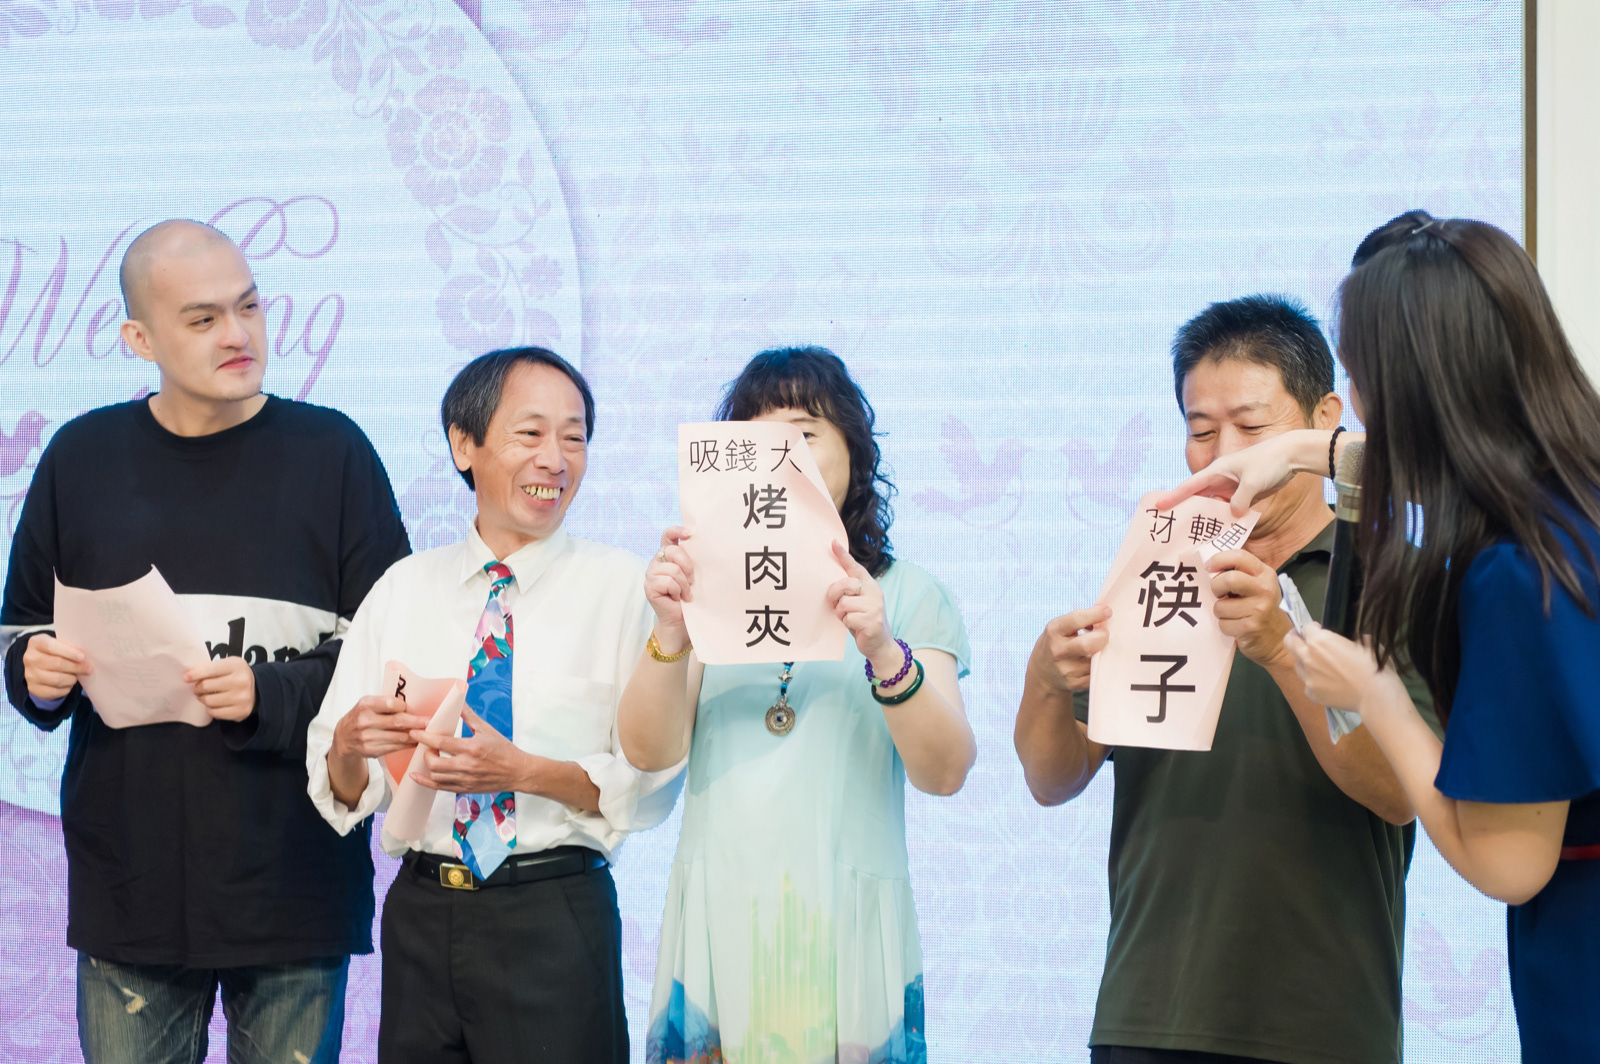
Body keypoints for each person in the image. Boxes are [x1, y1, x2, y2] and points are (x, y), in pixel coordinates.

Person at [1168, 212, 1600, 1064]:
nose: (1358, 410)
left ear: (1411, 386)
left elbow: (1510, 867)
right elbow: (1458, 467)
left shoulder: (1517, 574)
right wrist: (1301, 450)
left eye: (1360, 379)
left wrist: (1376, 697)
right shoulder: (1573, 496)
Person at [0, 219, 411, 1064]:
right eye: (203, 318)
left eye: (248, 307)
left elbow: (393, 656)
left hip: (294, 877)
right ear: (139, 339)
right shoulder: (81, 457)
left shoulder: (333, 453)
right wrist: (33, 673)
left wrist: (271, 694)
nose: (237, 334)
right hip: (132, 882)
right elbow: (22, 630)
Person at [1014, 295, 1440, 1064]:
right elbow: (1053, 779)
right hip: (1145, 1013)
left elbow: (1398, 794)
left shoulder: (1387, 576)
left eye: (1250, 426)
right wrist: (1045, 681)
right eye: (1201, 430)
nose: (1223, 455)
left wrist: (1281, 648)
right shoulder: (1161, 568)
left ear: (1325, 421)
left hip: (1321, 1024)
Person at [305, 346, 684, 1063]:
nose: (555, 460)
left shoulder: (625, 590)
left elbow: (652, 782)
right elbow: (346, 791)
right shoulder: (402, 589)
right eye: (530, 433)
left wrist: (523, 772)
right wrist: (349, 746)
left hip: (554, 915)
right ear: (464, 444)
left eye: (574, 438)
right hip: (421, 914)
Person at [618, 346, 976, 1064]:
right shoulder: (697, 592)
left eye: (806, 434)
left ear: (855, 452)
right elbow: (649, 752)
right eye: (760, 441)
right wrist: (671, 630)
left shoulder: (907, 593)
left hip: (848, 921)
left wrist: (882, 649)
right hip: (721, 918)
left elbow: (945, 771)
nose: (783, 458)